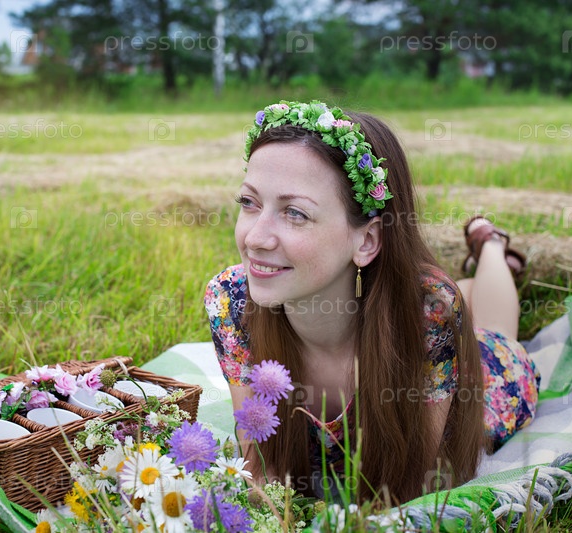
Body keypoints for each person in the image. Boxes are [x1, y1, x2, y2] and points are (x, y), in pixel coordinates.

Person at [204, 101, 540, 505]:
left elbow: (409, 495)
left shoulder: (429, 312)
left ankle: (490, 244)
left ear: (366, 240)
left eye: (294, 213)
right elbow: (260, 470)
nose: (256, 238)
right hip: (402, 300)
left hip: (480, 372)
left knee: (496, 330)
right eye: (249, 202)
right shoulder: (232, 302)